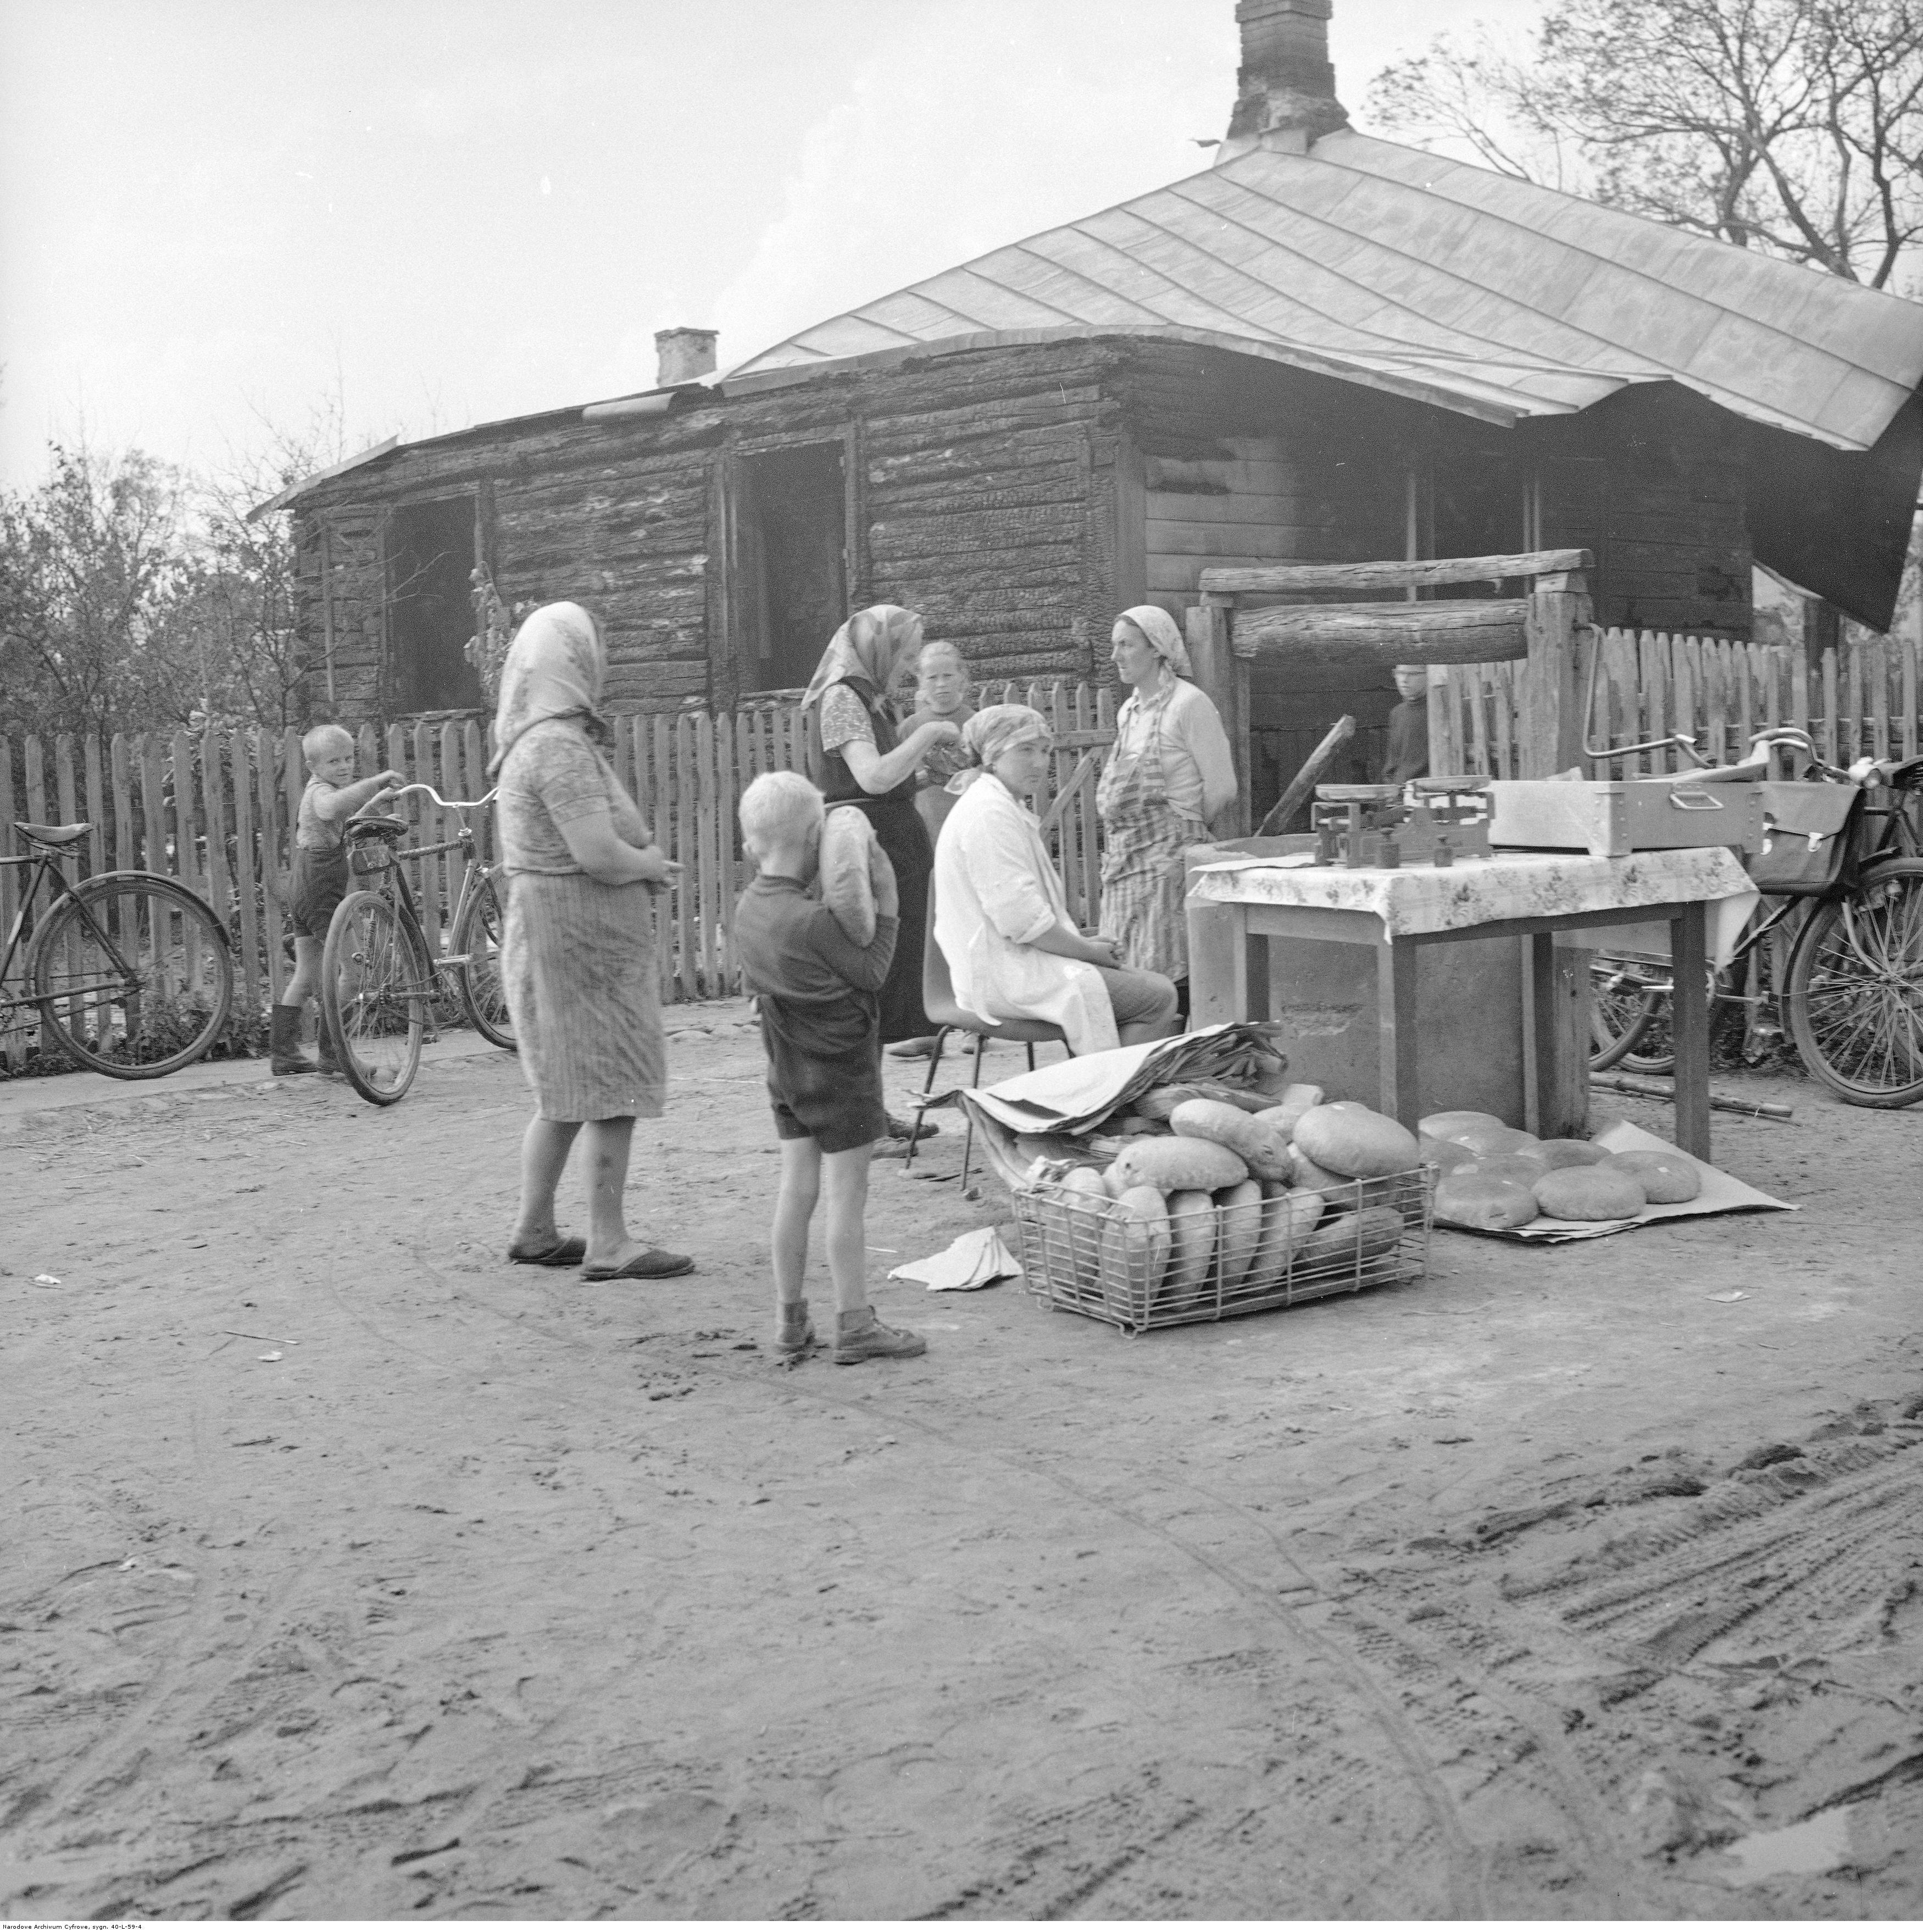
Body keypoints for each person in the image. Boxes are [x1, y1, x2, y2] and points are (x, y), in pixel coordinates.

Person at [491, 601, 692, 1281]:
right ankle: (609, 1242)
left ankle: (534, 1230)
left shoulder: (538, 739)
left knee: (567, 1090)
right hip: (579, 941)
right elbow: (598, 854)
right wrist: (648, 863)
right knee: (610, 1088)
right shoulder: (555, 746)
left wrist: (637, 865)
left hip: (566, 933)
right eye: (588, 650)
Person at [733, 769, 926, 1366]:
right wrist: (888, 901)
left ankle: (790, 1321)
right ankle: (856, 1323)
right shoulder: (814, 922)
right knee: (847, 1195)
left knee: (796, 1190)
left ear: (751, 845)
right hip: (841, 1069)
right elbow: (872, 972)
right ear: (818, 839)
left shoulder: (747, 909)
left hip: (786, 1067)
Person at [935, 704, 1180, 1053]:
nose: (1039, 763)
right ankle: (1109, 1085)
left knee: (1146, 986)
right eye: (1025, 750)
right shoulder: (988, 814)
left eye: (1045, 750)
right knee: (1158, 997)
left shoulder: (999, 805)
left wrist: (1083, 946)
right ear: (991, 757)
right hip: (1002, 974)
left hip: (1010, 962)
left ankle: (1103, 1078)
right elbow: (1022, 922)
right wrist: (1089, 953)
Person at [803, 604, 959, 1118]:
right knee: (865, 983)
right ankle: (859, 1119)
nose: (911, 669)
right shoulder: (842, 698)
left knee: (884, 982)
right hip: (864, 852)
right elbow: (870, 778)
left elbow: (882, 783)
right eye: (906, 656)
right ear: (879, 650)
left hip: (891, 848)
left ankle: (872, 1115)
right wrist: (929, 733)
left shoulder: (870, 699)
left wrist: (928, 776)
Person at [1097, 606, 1237, 1009]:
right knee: (1126, 969)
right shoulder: (1129, 712)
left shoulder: (1189, 704)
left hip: (1168, 862)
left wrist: (1182, 833)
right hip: (1126, 860)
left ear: (1157, 648)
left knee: (1170, 968)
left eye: (1126, 645)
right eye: (1114, 645)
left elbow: (1223, 788)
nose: (1116, 656)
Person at [270, 725, 404, 1076]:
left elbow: (345, 818)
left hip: (306, 883)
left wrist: (376, 809)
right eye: (334, 762)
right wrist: (375, 783)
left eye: (348, 758)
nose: (344, 766)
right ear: (313, 766)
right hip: (320, 887)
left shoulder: (327, 789)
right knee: (355, 971)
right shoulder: (320, 791)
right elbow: (330, 810)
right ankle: (335, 1054)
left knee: (308, 972)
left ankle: (283, 1054)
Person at [888, 639, 976, 1061]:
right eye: (932, 677)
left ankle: (977, 1021)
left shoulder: (976, 723)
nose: (941, 685)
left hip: (968, 840)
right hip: (925, 840)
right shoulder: (910, 729)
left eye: (948, 675)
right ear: (920, 685)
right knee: (931, 932)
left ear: (963, 678)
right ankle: (932, 1025)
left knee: (973, 929)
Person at [1382, 663, 1432, 786]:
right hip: (1401, 788)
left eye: (1413, 674)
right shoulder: (1397, 713)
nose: (1404, 680)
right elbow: (1392, 762)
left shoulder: (1438, 709)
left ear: (1428, 675)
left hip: (1428, 788)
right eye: (1400, 673)